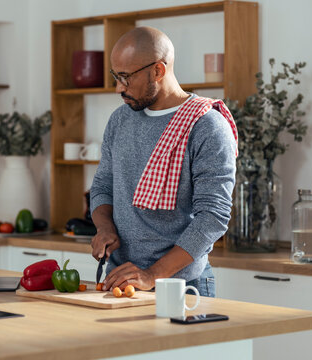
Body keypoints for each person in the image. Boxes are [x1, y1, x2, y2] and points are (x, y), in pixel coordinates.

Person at [90, 26, 237, 297]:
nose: (118, 88)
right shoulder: (119, 120)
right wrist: (105, 227)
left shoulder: (207, 126)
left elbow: (212, 217)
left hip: (182, 289)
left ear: (158, 70)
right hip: (122, 282)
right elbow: (102, 187)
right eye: (115, 75)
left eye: (125, 77)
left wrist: (152, 275)